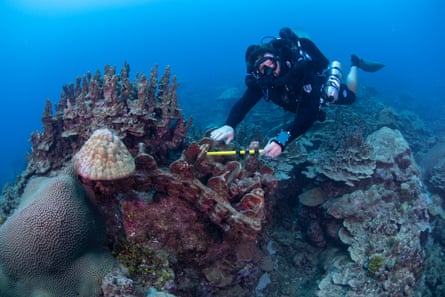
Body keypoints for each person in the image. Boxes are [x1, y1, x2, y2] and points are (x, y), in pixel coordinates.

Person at [210, 27, 384, 158]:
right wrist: (229, 125)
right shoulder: (262, 81)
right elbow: (244, 103)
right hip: (294, 102)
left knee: (350, 98)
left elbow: (308, 113)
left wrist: (282, 139)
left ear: (277, 58)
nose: (270, 71)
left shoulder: (301, 70)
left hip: (316, 93)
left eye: (271, 63)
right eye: (263, 69)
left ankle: (355, 64)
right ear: (256, 72)